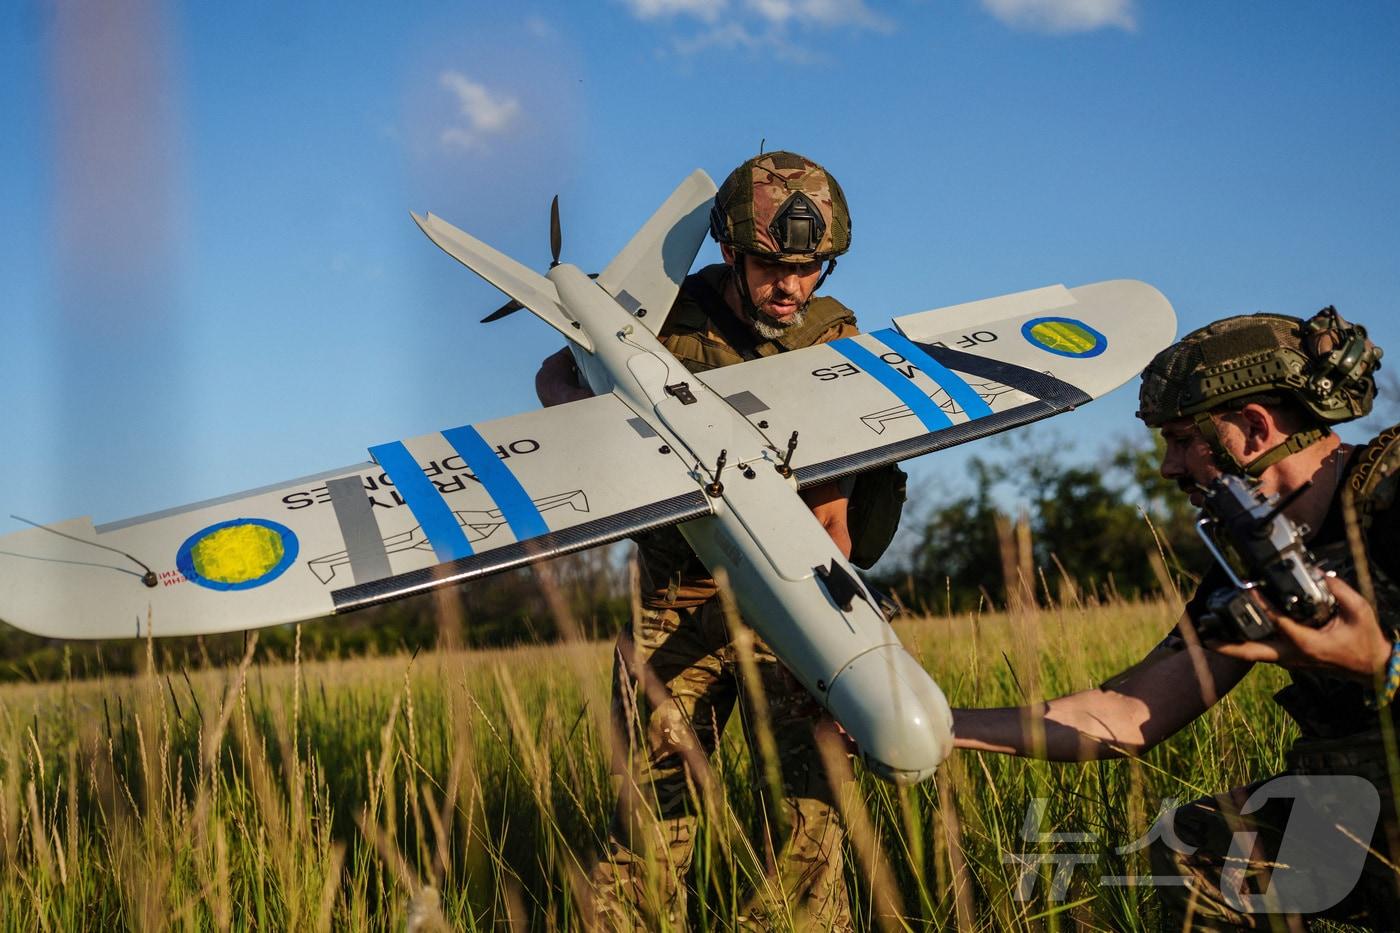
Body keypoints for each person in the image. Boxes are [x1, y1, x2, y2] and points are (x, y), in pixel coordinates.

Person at [953, 306, 1399, 928]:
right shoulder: (1255, 557)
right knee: (1199, 846)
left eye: (1183, 440)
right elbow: (1126, 714)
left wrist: (1382, 664)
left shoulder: (1390, 497)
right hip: (1361, 812)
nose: (1168, 467)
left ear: (1255, 426)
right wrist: (937, 726)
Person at [537, 151, 886, 930]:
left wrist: (839, 641)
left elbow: (832, 519)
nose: (791, 287)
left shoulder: (834, 339)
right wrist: (600, 421)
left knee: (808, 826)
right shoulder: (662, 312)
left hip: (787, 599)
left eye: (809, 268)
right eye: (771, 267)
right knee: (649, 824)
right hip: (675, 599)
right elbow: (557, 373)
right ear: (730, 251)